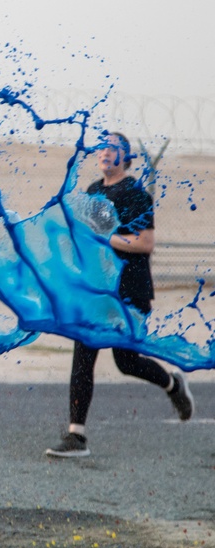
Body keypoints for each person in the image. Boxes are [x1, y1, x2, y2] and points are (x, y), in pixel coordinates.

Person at [46, 131, 193, 458]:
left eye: (111, 148)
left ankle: (172, 383)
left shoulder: (136, 193)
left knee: (126, 362)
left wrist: (106, 239)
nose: (103, 152)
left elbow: (145, 242)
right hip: (97, 290)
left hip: (129, 288)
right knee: (84, 353)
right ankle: (76, 436)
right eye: (100, 147)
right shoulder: (93, 191)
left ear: (124, 156)